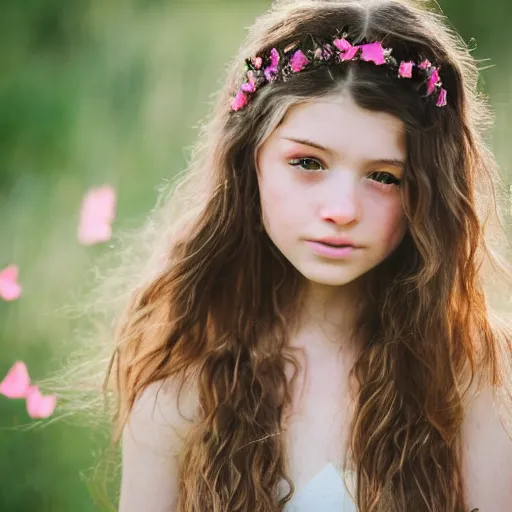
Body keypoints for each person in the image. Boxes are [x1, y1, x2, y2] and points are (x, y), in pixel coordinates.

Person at [106, 0, 512, 510]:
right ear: (248, 158)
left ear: (429, 191)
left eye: (384, 176)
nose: (341, 210)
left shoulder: (472, 370)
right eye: (307, 162)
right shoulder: (185, 373)